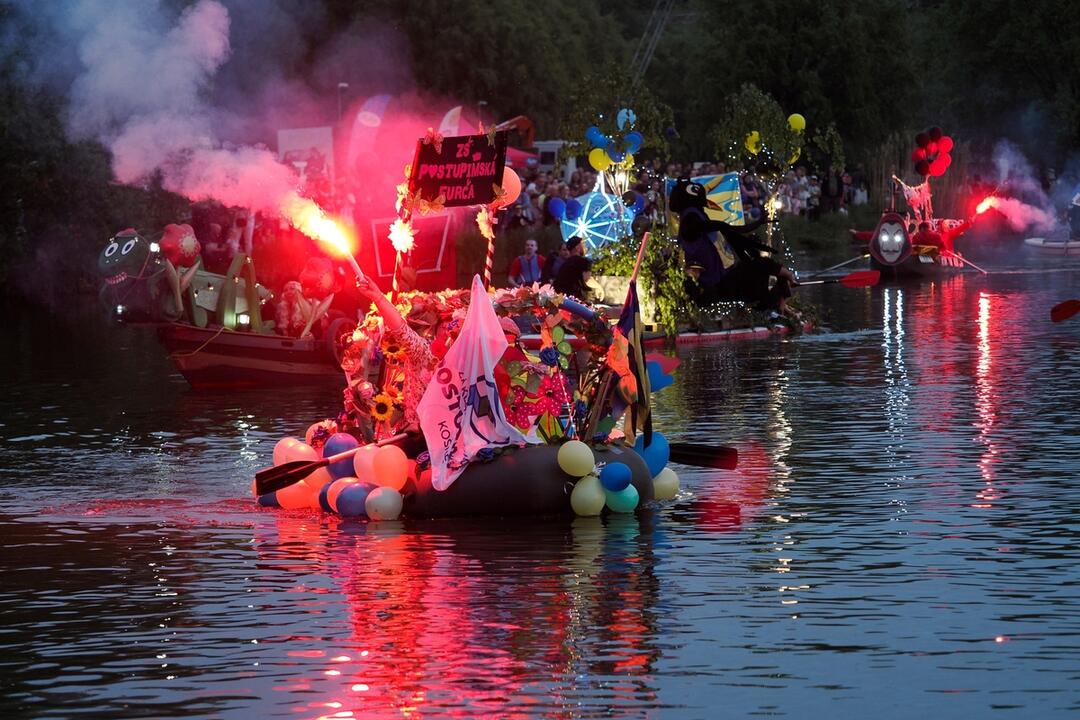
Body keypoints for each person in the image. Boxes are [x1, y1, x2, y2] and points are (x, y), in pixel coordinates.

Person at [553, 236, 592, 301]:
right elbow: (586, 279)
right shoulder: (584, 262)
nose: (585, 247)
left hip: (562, 299)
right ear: (577, 247)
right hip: (577, 300)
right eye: (582, 244)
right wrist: (599, 287)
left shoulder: (565, 264)